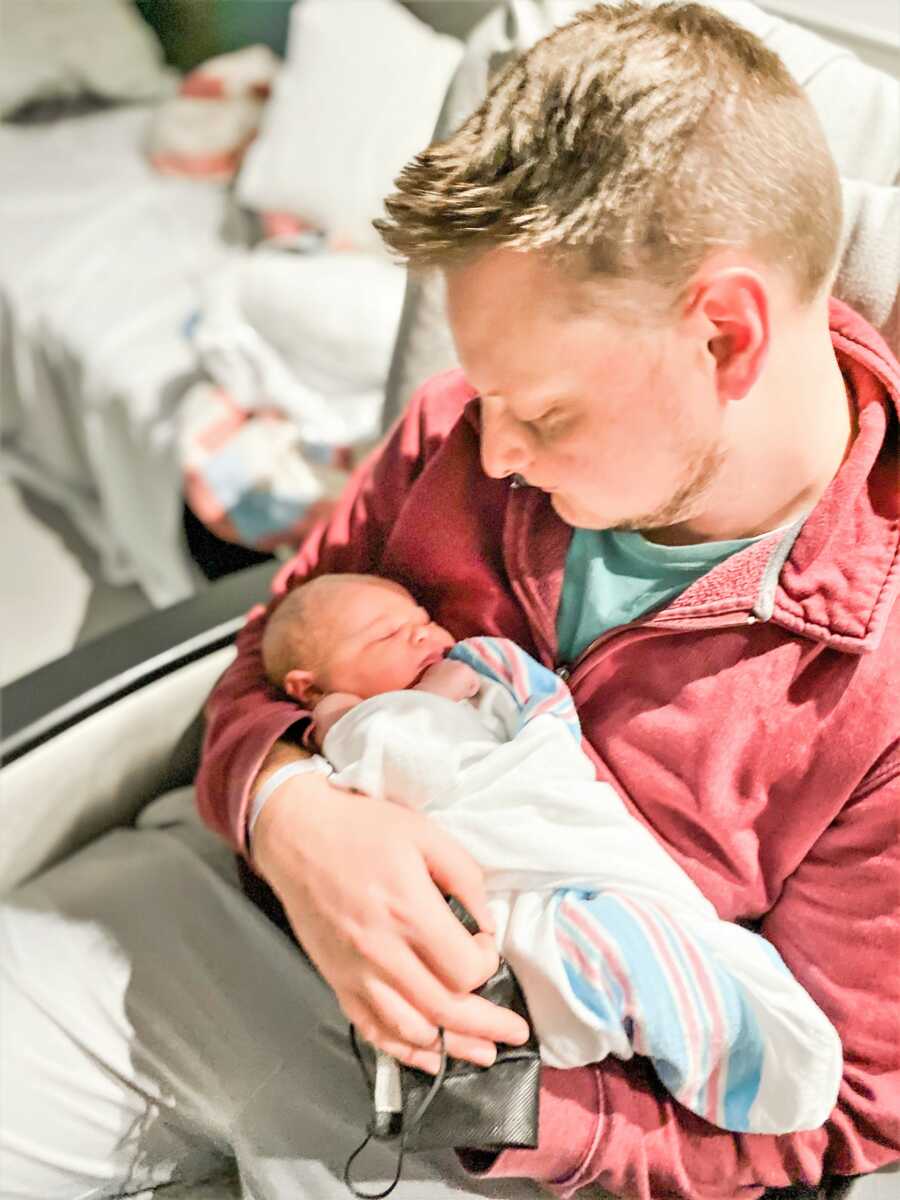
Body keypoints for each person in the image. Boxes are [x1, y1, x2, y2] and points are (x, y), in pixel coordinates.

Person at [1, 4, 897, 1199]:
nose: (498, 451)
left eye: (547, 412)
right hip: (224, 920)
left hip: (511, 1114)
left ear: (727, 336)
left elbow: (837, 1107)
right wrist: (287, 809)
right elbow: (274, 646)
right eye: (485, 393)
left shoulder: (874, 678)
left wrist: (479, 1093)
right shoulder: (459, 431)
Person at [260, 571, 842, 1138]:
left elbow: (541, 725)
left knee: (661, 934)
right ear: (306, 688)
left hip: (554, 869)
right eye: (387, 636)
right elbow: (396, 749)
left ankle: (722, 1021)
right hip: (479, 913)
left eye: (424, 621)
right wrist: (276, 797)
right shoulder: (356, 719)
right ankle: (700, 1022)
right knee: (591, 951)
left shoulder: (467, 680)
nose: (423, 636)